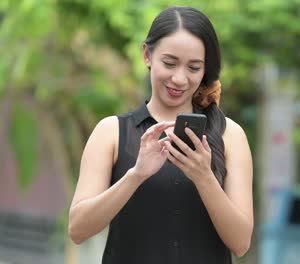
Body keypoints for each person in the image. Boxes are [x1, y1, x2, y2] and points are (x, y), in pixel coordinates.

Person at [68, 6, 253, 264]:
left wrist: (204, 177)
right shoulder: (111, 132)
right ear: (147, 55)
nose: (179, 78)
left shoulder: (229, 135)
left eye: (194, 67)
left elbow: (241, 243)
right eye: (169, 63)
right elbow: (78, 229)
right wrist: (136, 175)